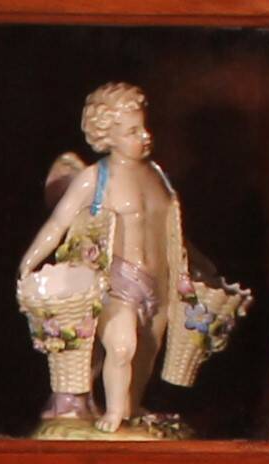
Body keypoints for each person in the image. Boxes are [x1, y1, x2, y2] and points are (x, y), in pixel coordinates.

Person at [17, 82, 185, 433]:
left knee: (145, 357)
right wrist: (30, 259)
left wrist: (196, 266)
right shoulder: (96, 178)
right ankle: (111, 415)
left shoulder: (158, 176)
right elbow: (59, 222)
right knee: (121, 346)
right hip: (117, 279)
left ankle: (127, 410)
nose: (145, 136)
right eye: (132, 131)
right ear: (107, 135)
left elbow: (171, 228)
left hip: (161, 281)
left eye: (143, 126)